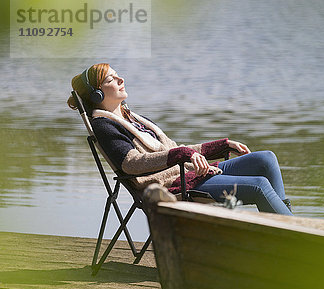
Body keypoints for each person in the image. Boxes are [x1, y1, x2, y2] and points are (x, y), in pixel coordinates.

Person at [67, 63, 292, 215]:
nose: (120, 79)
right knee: (259, 185)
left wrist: (222, 145)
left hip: (188, 173)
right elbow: (131, 164)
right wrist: (182, 155)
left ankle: (291, 226)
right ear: (98, 93)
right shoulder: (104, 125)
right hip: (172, 185)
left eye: (117, 75)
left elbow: (174, 149)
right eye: (111, 79)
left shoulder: (134, 118)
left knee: (266, 159)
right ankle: (296, 238)